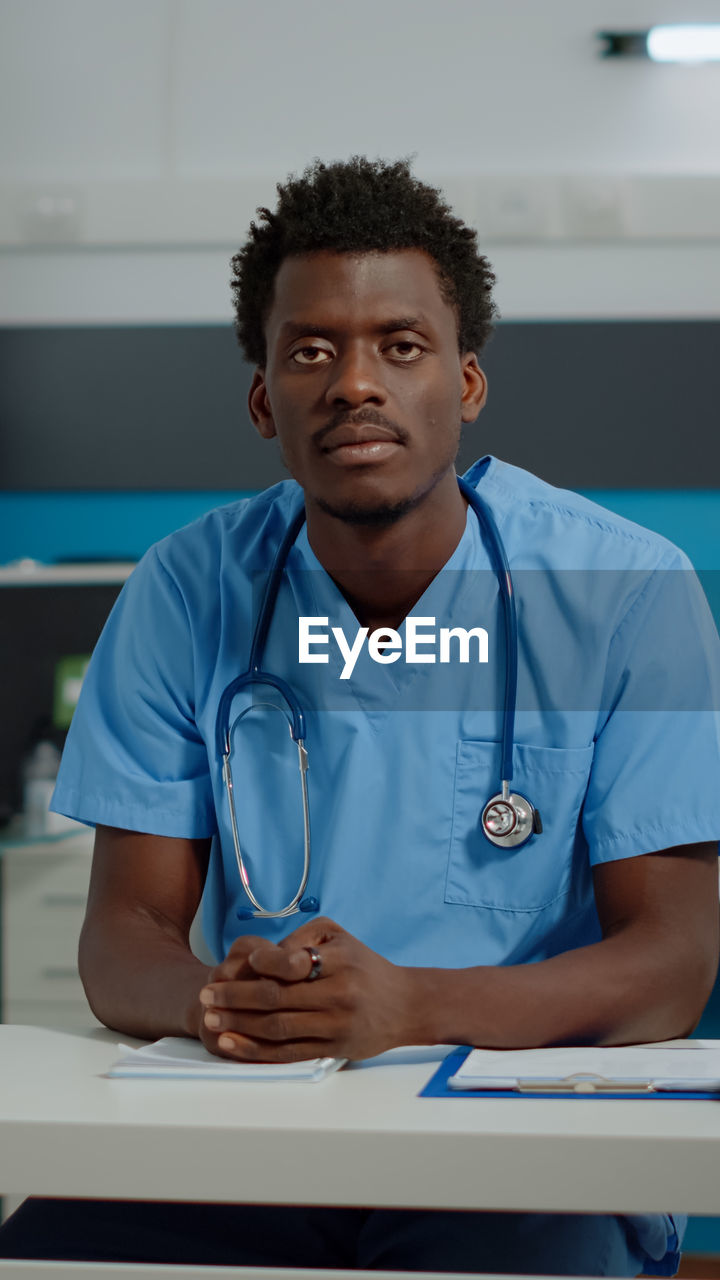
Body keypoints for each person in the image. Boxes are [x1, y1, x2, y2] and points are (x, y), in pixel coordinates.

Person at [1, 156, 719, 1274]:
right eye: (311, 350)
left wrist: (406, 1004)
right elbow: (120, 937)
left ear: (466, 382)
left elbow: (672, 962)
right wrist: (221, 996)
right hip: (258, 1118)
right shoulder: (188, 590)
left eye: (401, 343)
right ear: (262, 398)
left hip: (523, 1140)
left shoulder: (626, 590)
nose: (355, 383)